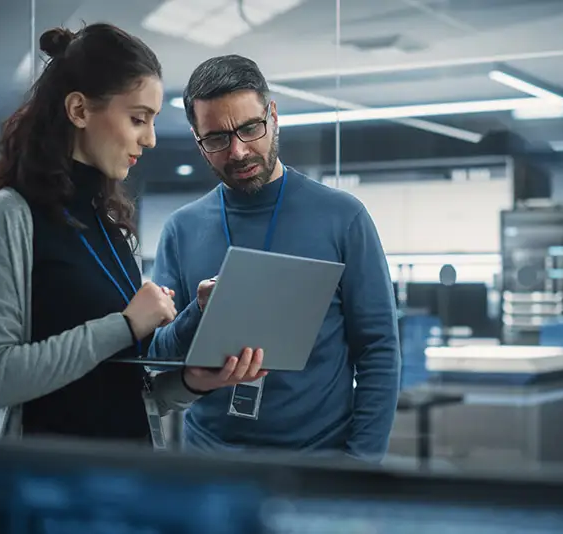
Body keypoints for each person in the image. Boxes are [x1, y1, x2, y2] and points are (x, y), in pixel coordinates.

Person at [0, 25, 265, 445]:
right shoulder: (3, 217)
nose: (150, 139)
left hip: (128, 482)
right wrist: (125, 324)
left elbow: (127, 390)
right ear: (79, 110)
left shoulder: (115, 229)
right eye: (138, 119)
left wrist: (192, 381)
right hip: (43, 491)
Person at [149, 54, 401, 462]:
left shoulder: (342, 217)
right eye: (216, 138)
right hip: (210, 463)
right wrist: (198, 312)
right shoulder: (182, 229)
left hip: (319, 462)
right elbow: (160, 355)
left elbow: (379, 349)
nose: (238, 151)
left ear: (274, 116)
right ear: (198, 141)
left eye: (250, 128)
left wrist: (361, 464)